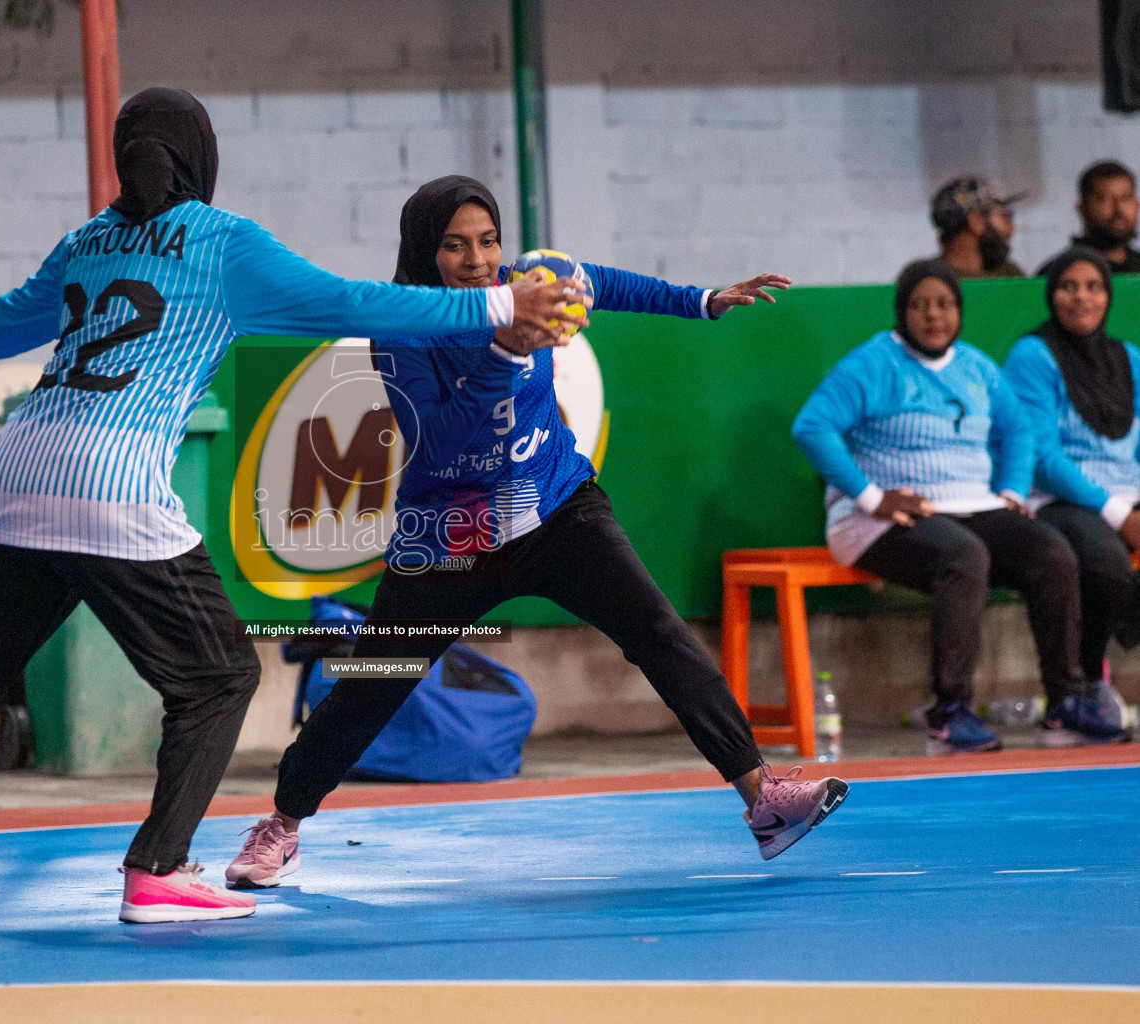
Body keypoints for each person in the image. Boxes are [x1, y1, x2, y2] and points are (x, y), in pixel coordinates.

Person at [0, 92, 589, 926]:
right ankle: (159, 871)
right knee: (221, 678)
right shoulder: (223, 242)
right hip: (109, 482)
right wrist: (499, 304)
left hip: (17, 481)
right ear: (200, 156)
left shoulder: (87, 238)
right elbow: (355, 303)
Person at [225, 174, 848, 892]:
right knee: (374, 686)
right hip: (452, 537)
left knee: (657, 631)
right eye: (455, 246)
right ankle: (283, 823)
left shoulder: (535, 279)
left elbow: (600, 282)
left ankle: (763, 799)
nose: (478, 259)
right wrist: (506, 354)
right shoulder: (400, 330)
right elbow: (448, 441)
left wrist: (700, 302)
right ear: (425, 255)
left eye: (487, 240)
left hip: (557, 509)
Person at [792, 259, 1089, 755]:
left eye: (945, 304)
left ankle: (1065, 703)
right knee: (964, 556)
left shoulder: (976, 367)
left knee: (1052, 552)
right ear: (901, 311)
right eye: (920, 304)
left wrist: (1012, 493)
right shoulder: (873, 363)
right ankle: (949, 713)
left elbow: (1018, 430)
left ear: (959, 310)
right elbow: (812, 427)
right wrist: (871, 496)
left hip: (971, 503)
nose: (934, 315)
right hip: (882, 516)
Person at [1002, 247, 1137, 745]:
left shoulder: (1129, 359)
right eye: (1068, 286)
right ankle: (1086, 684)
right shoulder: (1032, 356)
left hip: (1125, 494)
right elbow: (1042, 457)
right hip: (1060, 497)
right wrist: (1120, 514)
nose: (1081, 297)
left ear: (1108, 294)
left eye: (1094, 286)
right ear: (1051, 293)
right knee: (1104, 560)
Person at [1036, 161, 1140, 276]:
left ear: (1137, 204)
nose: (1119, 209)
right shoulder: (1058, 273)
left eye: (1126, 198)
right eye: (1105, 199)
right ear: (1083, 209)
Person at [931, 176, 1025, 279]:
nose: (1011, 229)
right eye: (1005, 216)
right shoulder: (930, 280)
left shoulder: (1010, 274)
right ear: (975, 221)